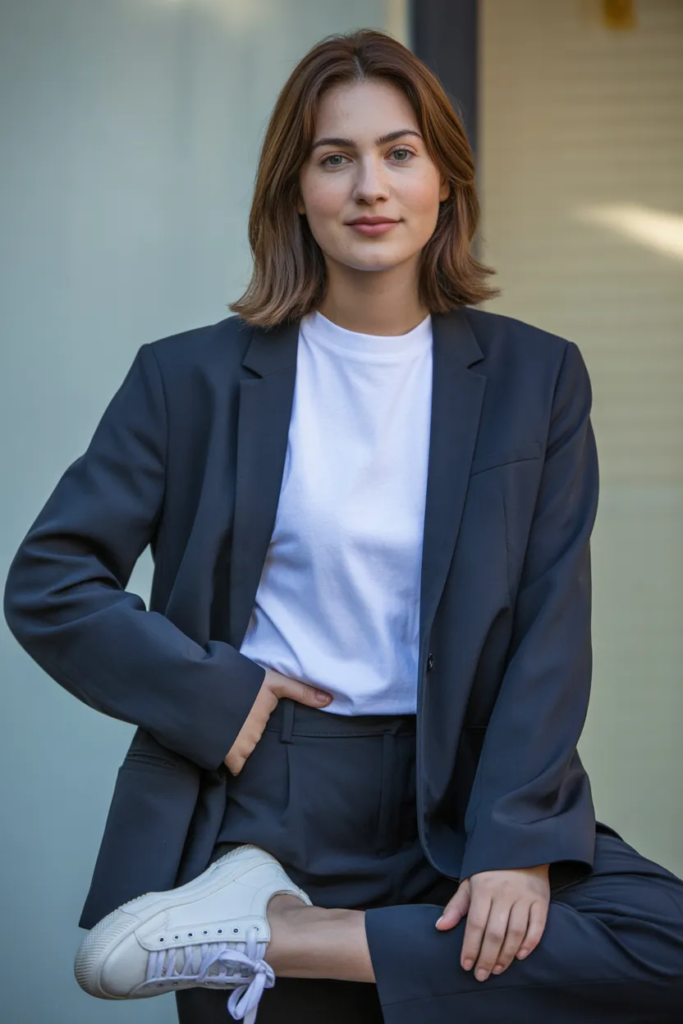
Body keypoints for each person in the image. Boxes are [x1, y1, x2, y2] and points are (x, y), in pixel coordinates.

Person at [4, 27, 683, 1024]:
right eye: (336, 158)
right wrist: (213, 697)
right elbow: (50, 579)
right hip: (266, 794)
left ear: (444, 180)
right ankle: (244, 906)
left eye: (398, 153)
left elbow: (548, 620)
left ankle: (278, 936)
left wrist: (514, 843)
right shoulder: (186, 379)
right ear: (296, 191)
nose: (370, 185)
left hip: (454, 784)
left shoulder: (534, 378)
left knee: (657, 940)